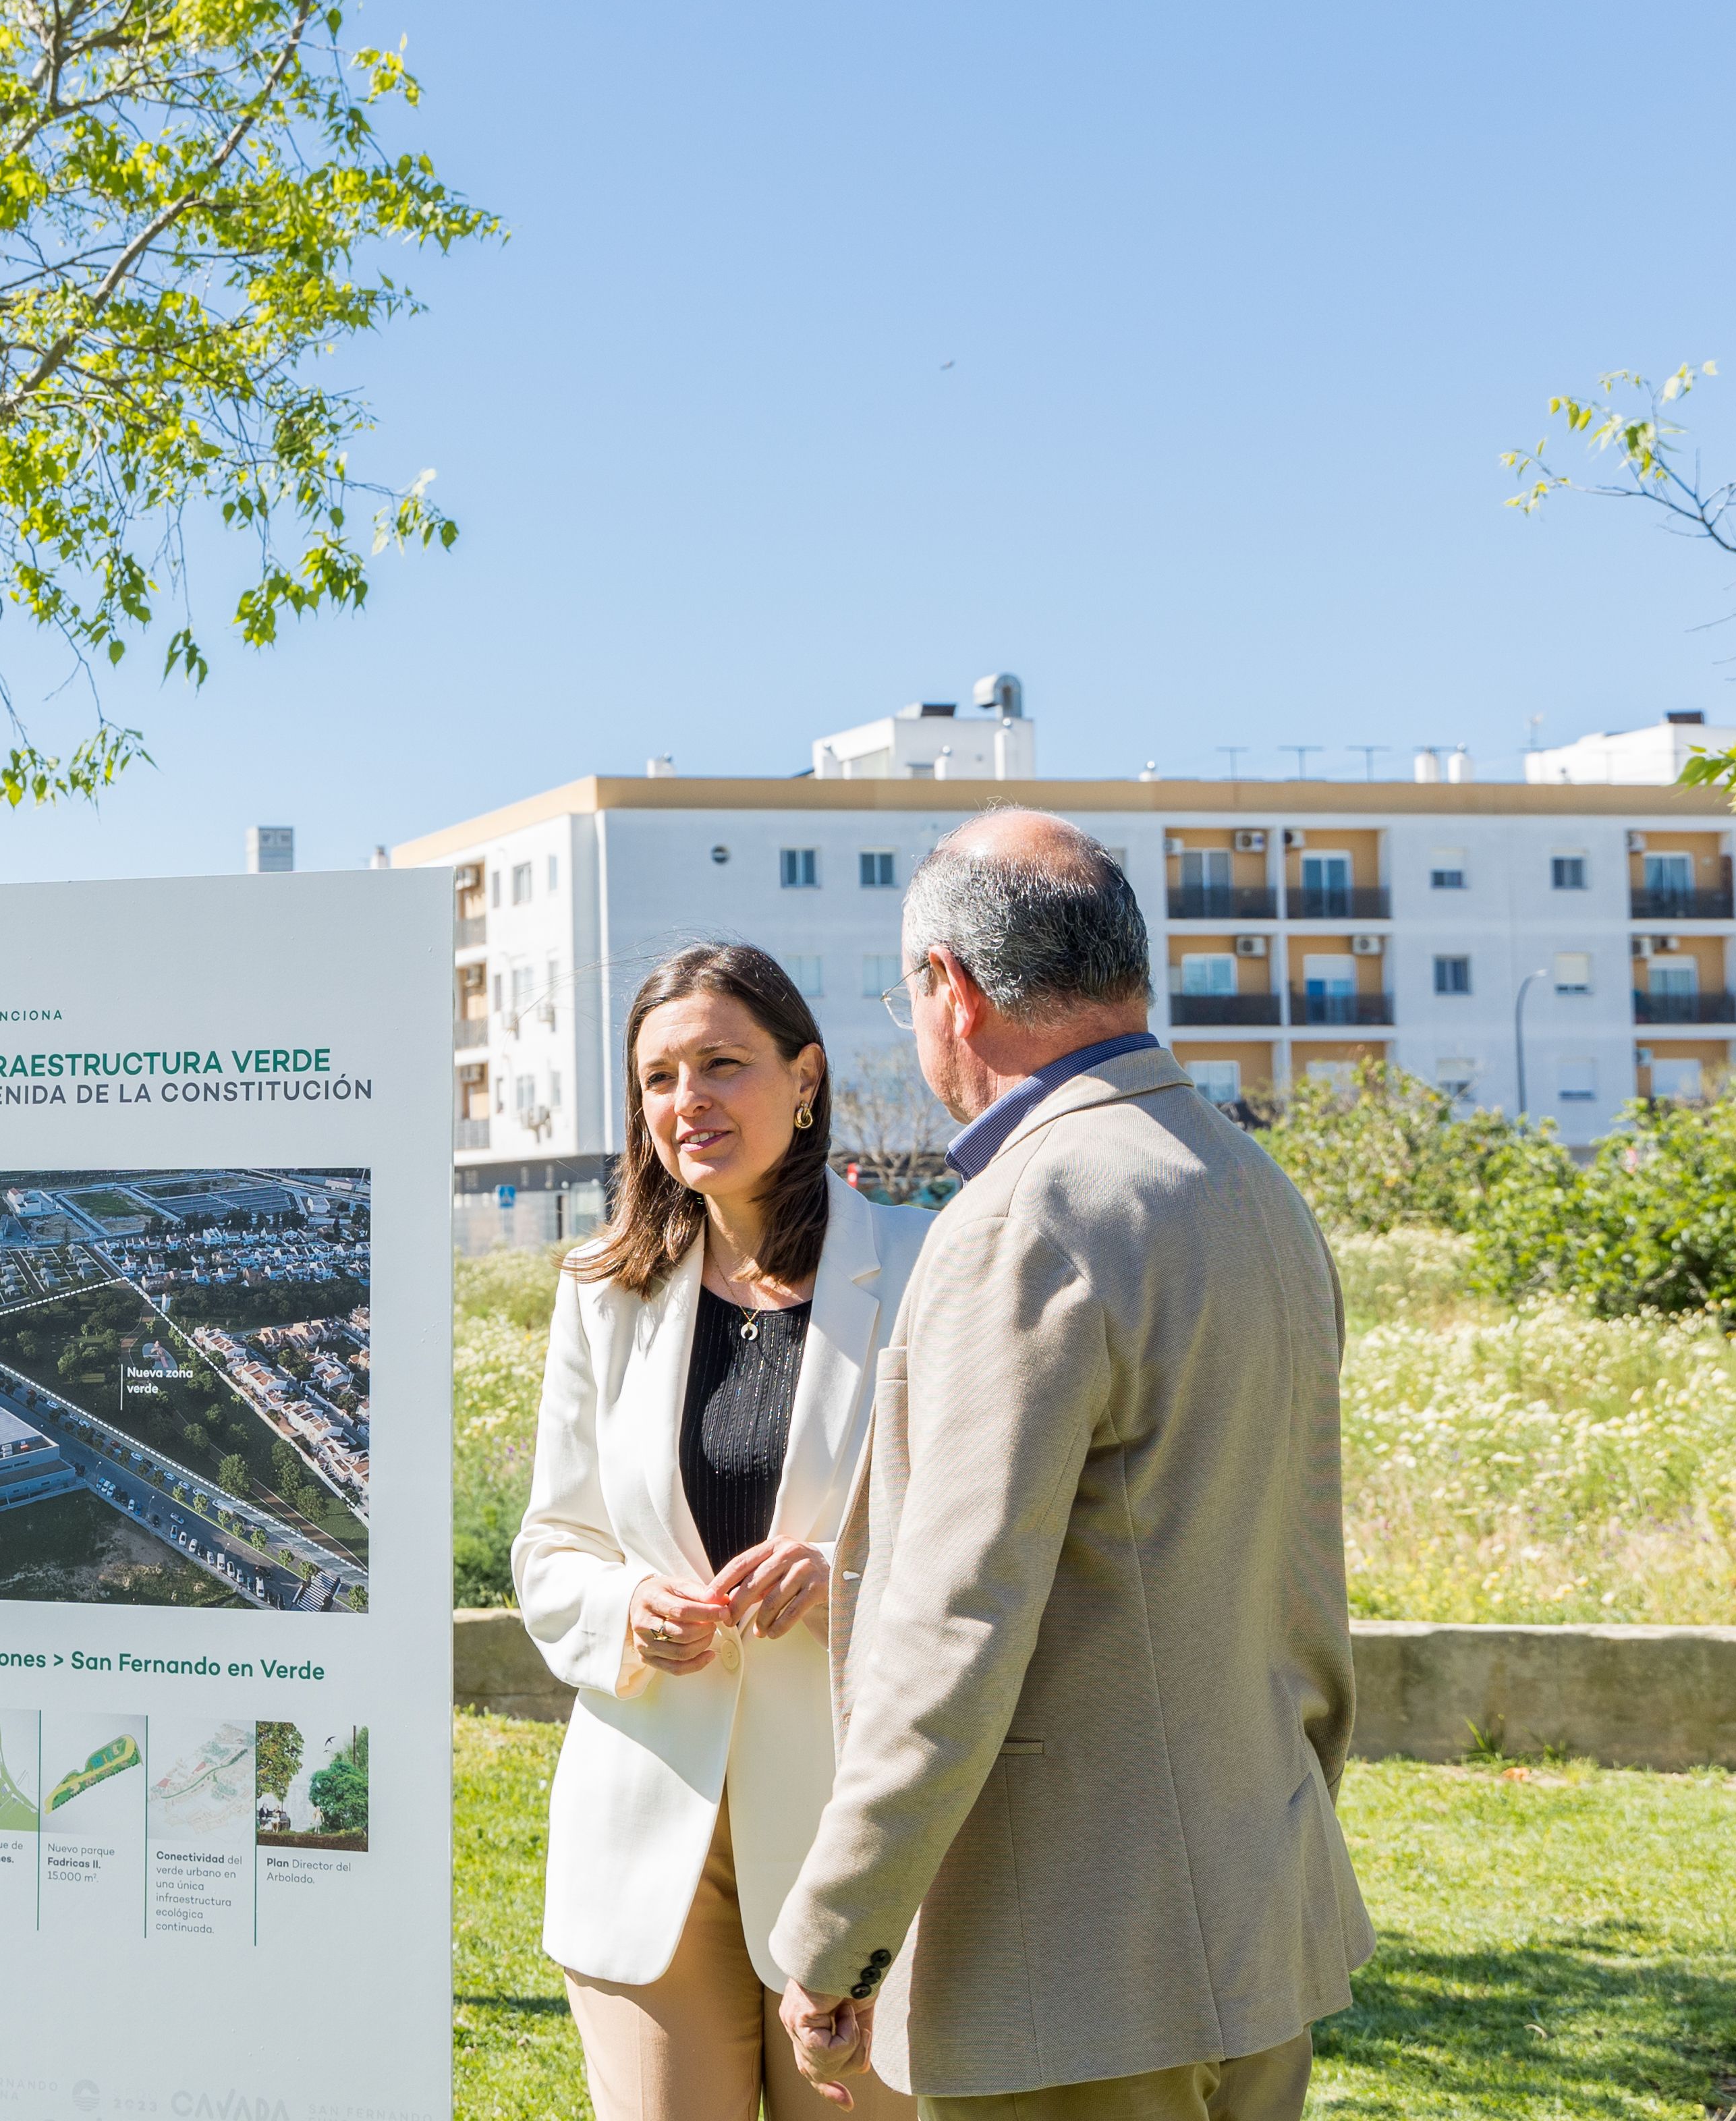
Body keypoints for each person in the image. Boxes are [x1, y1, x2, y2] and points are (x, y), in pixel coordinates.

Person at [772, 812, 1370, 2120]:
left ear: (954, 992)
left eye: (909, 988)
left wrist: (838, 1935)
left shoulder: (1031, 1216)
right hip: (1254, 1920)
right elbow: (1307, 1583)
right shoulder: (1249, 1184)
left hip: (1071, 1972)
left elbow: (954, 1621)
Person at [515, 942, 936, 2121]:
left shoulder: (922, 1268)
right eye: (658, 1078)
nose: (686, 1100)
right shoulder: (604, 1287)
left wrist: (842, 1574)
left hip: (855, 1836)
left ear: (804, 1079)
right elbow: (551, 1549)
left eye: (722, 1064)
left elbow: (983, 1535)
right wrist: (626, 1612)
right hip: (648, 1834)